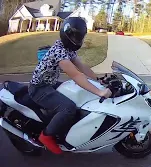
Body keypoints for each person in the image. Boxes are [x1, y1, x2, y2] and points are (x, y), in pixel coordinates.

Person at [28, 17, 113, 154]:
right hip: (39, 88)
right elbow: (76, 75)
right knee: (68, 108)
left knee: (78, 95)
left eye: (80, 36)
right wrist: (99, 92)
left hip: (50, 84)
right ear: (67, 34)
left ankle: (65, 129)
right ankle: (46, 136)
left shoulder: (67, 48)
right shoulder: (59, 51)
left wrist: (99, 79)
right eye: (76, 36)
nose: (78, 39)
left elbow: (82, 67)